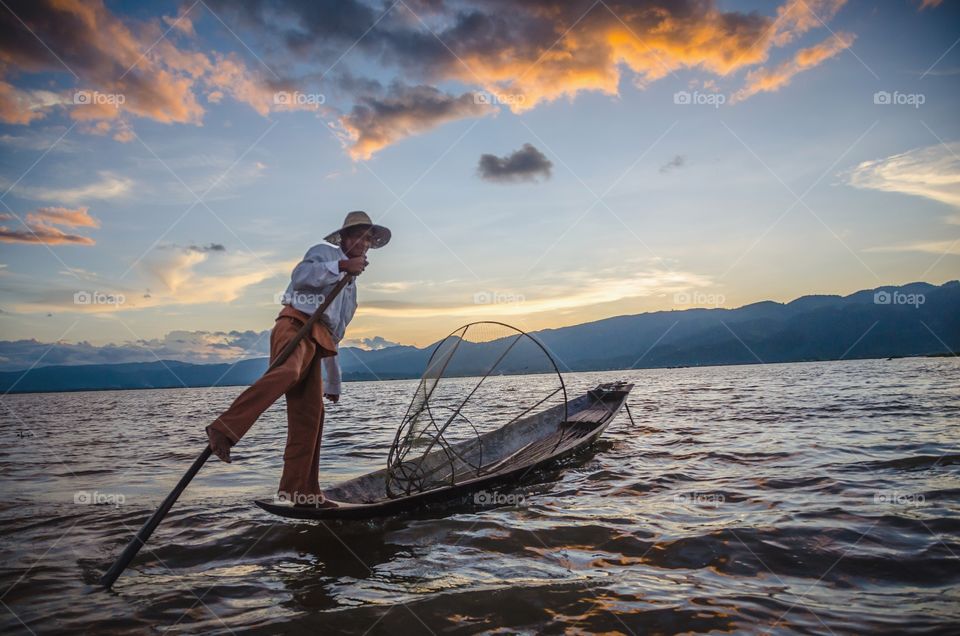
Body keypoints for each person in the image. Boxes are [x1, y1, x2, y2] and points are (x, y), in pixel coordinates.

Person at [205, 211, 391, 507]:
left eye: (369, 238)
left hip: (318, 341)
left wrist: (333, 381)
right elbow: (300, 278)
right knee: (288, 372)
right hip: (295, 326)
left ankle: (302, 492)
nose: (366, 243)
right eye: (361, 236)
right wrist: (342, 265)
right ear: (345, 238)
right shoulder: (324, 254)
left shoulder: (351, 291)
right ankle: (224, 428)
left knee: (311, 416)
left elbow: (334, 334)